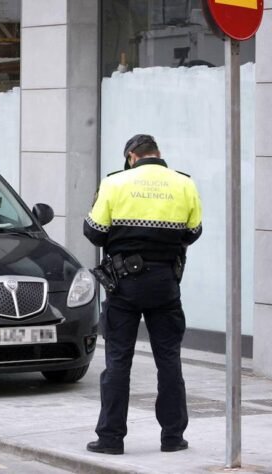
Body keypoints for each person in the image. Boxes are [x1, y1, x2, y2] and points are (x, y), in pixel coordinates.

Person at [83, 134, 202, 455]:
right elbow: (194, 232)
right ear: (157, 154)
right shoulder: (183, 184)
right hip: (166, 283)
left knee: (118, 361)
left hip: (124, 284)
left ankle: (110, 439)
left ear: (131, 157)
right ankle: (173, 438)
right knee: (169, 359)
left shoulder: (114, 183)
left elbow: (93, 232)